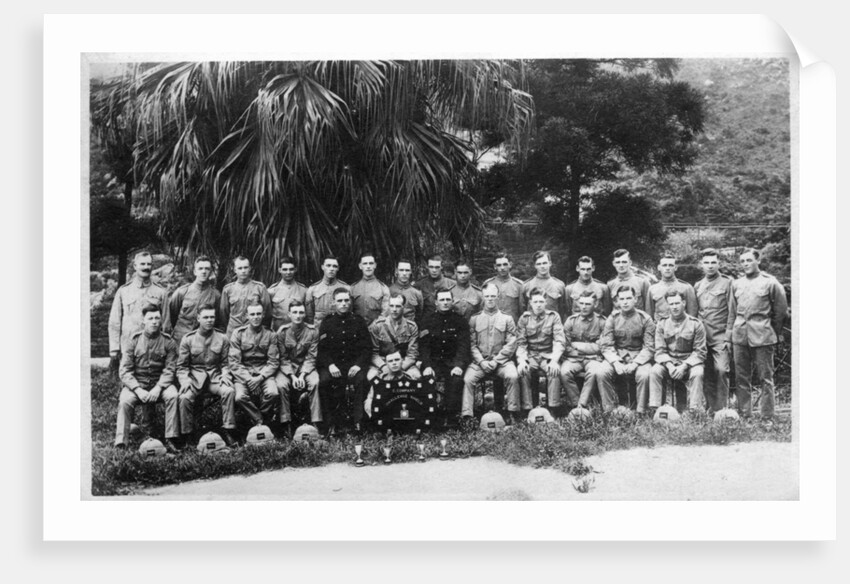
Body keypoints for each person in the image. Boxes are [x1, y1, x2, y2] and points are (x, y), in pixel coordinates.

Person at [728, 248, 788, 419]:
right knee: (741, 378)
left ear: (758, 261)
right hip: (740, 336)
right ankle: (745, 415)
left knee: (765, 379)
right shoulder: (737, 284)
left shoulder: (771, 283)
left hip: (763, 336)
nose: (746, 264)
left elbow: (781, 312)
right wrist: (731, 335)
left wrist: (773, 332)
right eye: (743, 261)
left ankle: (767, 417)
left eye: (749, 260)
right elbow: (732, 313)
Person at [114, 304, 180, 452]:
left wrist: (158, 388)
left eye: (157, 318)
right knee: (125, 400)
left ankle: (171, 438)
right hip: (138, 384)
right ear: (143, 320)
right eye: (150, 318)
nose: (154, 321)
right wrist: (138, 389)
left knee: (173, 395)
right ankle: (121, 443)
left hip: (160, 384)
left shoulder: (168, 342)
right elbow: (124, 371)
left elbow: (170, 369)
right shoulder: (133, 341)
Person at [175, 304, 237, 448]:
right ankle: (188, 435)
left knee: (229, 391)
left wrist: (226, 375)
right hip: (194, 380)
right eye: (206, 317)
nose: (209, 320)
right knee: (184, 397)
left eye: (212, 317)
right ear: (198, 318)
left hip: (215, 379)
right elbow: (182, 366)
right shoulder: (188, 339)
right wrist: (185, 381)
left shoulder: (222, 338)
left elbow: (226, 363)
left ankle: (228, 430)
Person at [316, 288, 372, 435]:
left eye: (346, 300)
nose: (343, 304)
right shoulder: (327, 322)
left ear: (351, 302)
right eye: (340, 301)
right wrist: (330, 365)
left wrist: (358, 365)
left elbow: (367, 348)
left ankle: (358, 422)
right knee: (324, 382)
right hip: (334, 365)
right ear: (334, 303)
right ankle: (330, 424)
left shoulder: (358, 321)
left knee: (362, 381)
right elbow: (322, 349)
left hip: (353, 365)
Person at [462, 283, 520, 421]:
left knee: (512, 376)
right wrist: (481, 361)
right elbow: (471, 344)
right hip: (479, 362)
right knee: (468, 379)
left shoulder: (507, 319)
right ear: (483, 297)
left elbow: (511, 344)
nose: (490, 299)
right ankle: (467, 416)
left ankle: (513, 413)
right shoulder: (474, 319)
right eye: (487, 296)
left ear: (498, 297)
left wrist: (496, 361)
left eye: (493, 296)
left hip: (501, 362)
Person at [108, 250, 171, 371]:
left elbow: (166, 324)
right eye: (142, 264)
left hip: (153, 347)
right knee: (127, 381)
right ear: (135, 266)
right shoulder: (123, 291)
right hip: (129, 346)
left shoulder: (161, 292)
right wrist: (114, 349)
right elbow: (114, 322)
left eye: (149, 264)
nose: (146, 267)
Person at [649, 290, 707, 414]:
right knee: (655, 371)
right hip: (669, 362)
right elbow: (659, 350)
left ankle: (694, 411)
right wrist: (670, 366)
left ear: (684, 303)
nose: (674, 307)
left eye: (677, 303)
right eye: (671, 304)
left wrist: (684, 367)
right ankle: (656, 410)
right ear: (667, 305)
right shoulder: (662, 324)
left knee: (698, 372)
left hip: (689, 363)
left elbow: (700, 352)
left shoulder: (696, 324)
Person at [599, 286, 656, 414]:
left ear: (635, 299)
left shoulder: (645, 319)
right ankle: (609, 410)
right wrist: (615, 362)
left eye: (629, 298)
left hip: (639, 357)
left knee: (644, 374)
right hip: (617, 356)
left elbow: (649, 347)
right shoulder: (613, 318)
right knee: (601, 372)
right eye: (622, 299)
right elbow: (606, 345)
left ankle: (640, 411)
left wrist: (636, 363)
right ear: (617, 301)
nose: (625, 302)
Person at [419, 289, 470, 427]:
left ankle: (452, 419)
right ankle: (432, 418)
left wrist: (459, 365)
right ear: (436, 302)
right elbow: (424, 347)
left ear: (453, 301)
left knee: (456, 380)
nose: (445, 303)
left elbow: (463, 346)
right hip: (434, 362)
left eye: (448, 299)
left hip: (452, 362)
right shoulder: (427, 321)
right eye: (442, 300)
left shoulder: (460, 321)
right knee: (427, 380)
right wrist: (427, 366)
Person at [228, 302, 280, 431]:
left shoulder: (270, 334)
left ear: (263, 315)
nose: (255, 317)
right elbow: (234, 362)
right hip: (243, 373)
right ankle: (260, 420)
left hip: (264, 372)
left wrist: (260, 378)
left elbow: (273, 361)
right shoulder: (238, 334)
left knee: (273, 393)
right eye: (252, 314)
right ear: (247, 316)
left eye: (258, 314)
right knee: (240, 397)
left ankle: (257, 420)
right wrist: (250, 380)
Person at [693, 248, 734, 413]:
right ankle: (711, 408)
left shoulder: (727, 282)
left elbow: (733, 311)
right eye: (706, 263)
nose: (710, 266)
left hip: (720, 336)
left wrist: (728, 337)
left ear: (719, 263)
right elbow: (696, 313)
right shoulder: (698, 285)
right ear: (701, 265)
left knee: (722, 371)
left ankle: (722, 409)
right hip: (703, 338)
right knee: (706, 373)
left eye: (713, 262)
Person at [515, 287, 566, 418]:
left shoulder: (553, 317)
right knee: (523, 371)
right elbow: (521, 343)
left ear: (546, 303)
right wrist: (522, 360)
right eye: (535, 302)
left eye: (541, 302)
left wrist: (554, 360)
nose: (538, 305)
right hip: (531, 355)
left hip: (547, 355)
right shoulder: (524, 319)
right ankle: (527, 409)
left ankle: (553, 409)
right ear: (530, 303)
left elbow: (559, 341)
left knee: (554, 371)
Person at [560, 291, 613, 412]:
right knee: (564, 372)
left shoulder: (602, 322)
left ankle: (582, 405)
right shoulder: (571, 321)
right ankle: (577, 404)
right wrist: (578, 351)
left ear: (595, 305)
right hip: (574, 358)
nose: (583, 307)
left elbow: (601, 346)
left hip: (594, 358)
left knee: (594, 372)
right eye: (581, 303)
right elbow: (565, 344)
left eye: (588, 304)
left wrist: (577, 345)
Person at [275, 300, 321, 430]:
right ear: (289, 314)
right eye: (294, 312)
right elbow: (282, 358)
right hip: (287, 369)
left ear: (305, 314)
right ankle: (286, 423)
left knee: (315, 382)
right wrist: (293, 377)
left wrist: (302, 375)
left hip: (306, 368)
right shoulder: (282, 332)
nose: (298, 316)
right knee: (281, 385)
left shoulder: (312, 331)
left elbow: (311, 356)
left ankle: (316, 422)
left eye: (301, 312)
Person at [168, 256, 221, 343]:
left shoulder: (216, 295)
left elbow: (218, 321)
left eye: (207, 269)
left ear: (211, 272)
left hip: (203, 341)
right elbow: (172, 316)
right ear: (195, 271)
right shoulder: (182, 292)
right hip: (180, 339)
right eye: (200, 268)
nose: (203, 272)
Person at [368, 294, 420, 380]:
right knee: (371, 378)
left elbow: (412, 354)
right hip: (382, 363)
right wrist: (384, 367)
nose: (394, 309)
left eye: (398, 306)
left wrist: (400, 368)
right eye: (391, 306)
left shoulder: (411, 327)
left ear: (404, 307)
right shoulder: (378, 325)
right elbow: (374, 353)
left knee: (416, 376)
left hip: (404, 363)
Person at [220, 256, 271, 336]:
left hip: (254, 332)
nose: (243, 271)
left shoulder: (260, 288)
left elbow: (267, 312)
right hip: (233, 332)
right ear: (235, 269)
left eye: (245, 267)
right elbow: (223, 313)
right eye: (240, 268)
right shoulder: (228, 289)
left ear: (250, 268)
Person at [647, 253, 698, 321]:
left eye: (670, 265)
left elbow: (692, 314)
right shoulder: (652, 289)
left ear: (675, 267)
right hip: (660, 329)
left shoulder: (686, 288)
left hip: (682, 328)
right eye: (664, 265)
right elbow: (649, 316)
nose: (667, 268)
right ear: (659, 267)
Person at [306, 255, 349, 329]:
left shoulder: (346, 288)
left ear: (338, 268)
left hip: (340, 329)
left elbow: (348, 311)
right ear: (322, 267)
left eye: (334, 266)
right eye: (328, 266)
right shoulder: (313, 289)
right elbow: (310, 316)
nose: (331, 269)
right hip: (319, 330)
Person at [521, 251, 567, 322]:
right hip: (532, 328)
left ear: (550, 263)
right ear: (535, 266)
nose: (542, 266)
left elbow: (563, 310)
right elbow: (522, 310)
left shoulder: (559, 285)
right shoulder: (526, 286)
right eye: (539, 264)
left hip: (552, 327)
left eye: (545, 263)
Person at [483, 252, 525, 325]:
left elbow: (522, 310)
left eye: (505, 264)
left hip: (512, 328)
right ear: (495, 266)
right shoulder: (488, 284)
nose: (502, 268)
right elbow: (483, 309)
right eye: (499, 265)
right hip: (492, 326)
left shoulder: (519, 285)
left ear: (510, 265)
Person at [268, 256, 308, 332]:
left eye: (291, 269)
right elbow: (267, 316)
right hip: (278, 332)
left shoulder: (304, 290)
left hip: (298, 331)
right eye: (285, 269)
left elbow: (308, 316)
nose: (288, 272)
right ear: (279, 270)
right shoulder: (272, 291)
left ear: (295, 269)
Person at [349, 252, 391, 325]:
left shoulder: (383, 288)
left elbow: (385, 313)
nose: (368, 266)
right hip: (357, 329)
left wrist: (375, 326)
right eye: (365, 264)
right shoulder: (353, 288)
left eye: (371, 263)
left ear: (375, 265)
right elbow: (349, 311)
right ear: (360, 266)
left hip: (376, 330)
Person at [607, 249, 651, 313]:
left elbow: (649, 309)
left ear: (630, 263)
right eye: (618, 262)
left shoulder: (642, 282)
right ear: (613, 264)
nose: (621, 265)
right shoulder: (610, 284)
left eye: (624, 262)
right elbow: (608, 310)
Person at [414, 254, 456, 321]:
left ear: (441, 267)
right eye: (431, 267)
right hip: (427, 324)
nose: (434, 270)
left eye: (437, 267)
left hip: (448, 322)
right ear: (427, 267)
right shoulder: (419, 285)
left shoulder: (452, 284)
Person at [389, 258, 424, 324]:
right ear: (396, 271)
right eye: (401, 270)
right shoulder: (388, 291)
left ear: (411, 272)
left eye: (407, 270)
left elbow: (419, 315)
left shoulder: (417, 293)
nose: (404, 273)